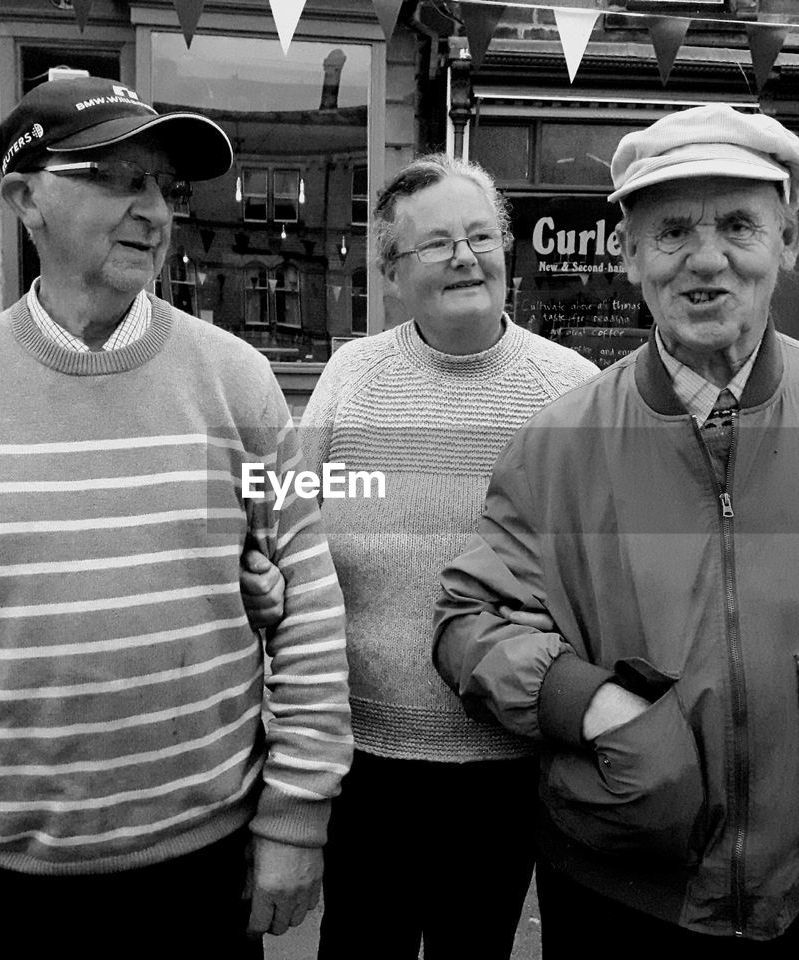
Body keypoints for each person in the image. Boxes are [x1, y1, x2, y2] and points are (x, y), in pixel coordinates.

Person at [0, 77, 351, 960]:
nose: (152, 210)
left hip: (201, 871)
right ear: (23, 198)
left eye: (163, 187)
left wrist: (297, 817)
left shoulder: (237, 381)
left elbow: (304, 601)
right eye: (117, 178)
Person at [434, 105, 799, 957]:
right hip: (620, 894)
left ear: (789, 239)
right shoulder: (560, 441)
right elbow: (470, 622)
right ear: (629, 251)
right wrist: (590, 704)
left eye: (739, 226)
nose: (706, 259)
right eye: (673, 229)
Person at [300, 154, 597, 960]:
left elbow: (603, 573)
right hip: (361, 758)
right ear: (392, 273)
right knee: (358, 947)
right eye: (436, 244)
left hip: (502, 763)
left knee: (474, 949)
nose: (466, 256)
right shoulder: (352, 376)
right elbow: (286, 509)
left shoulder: (568, 391)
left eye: (481, 236)